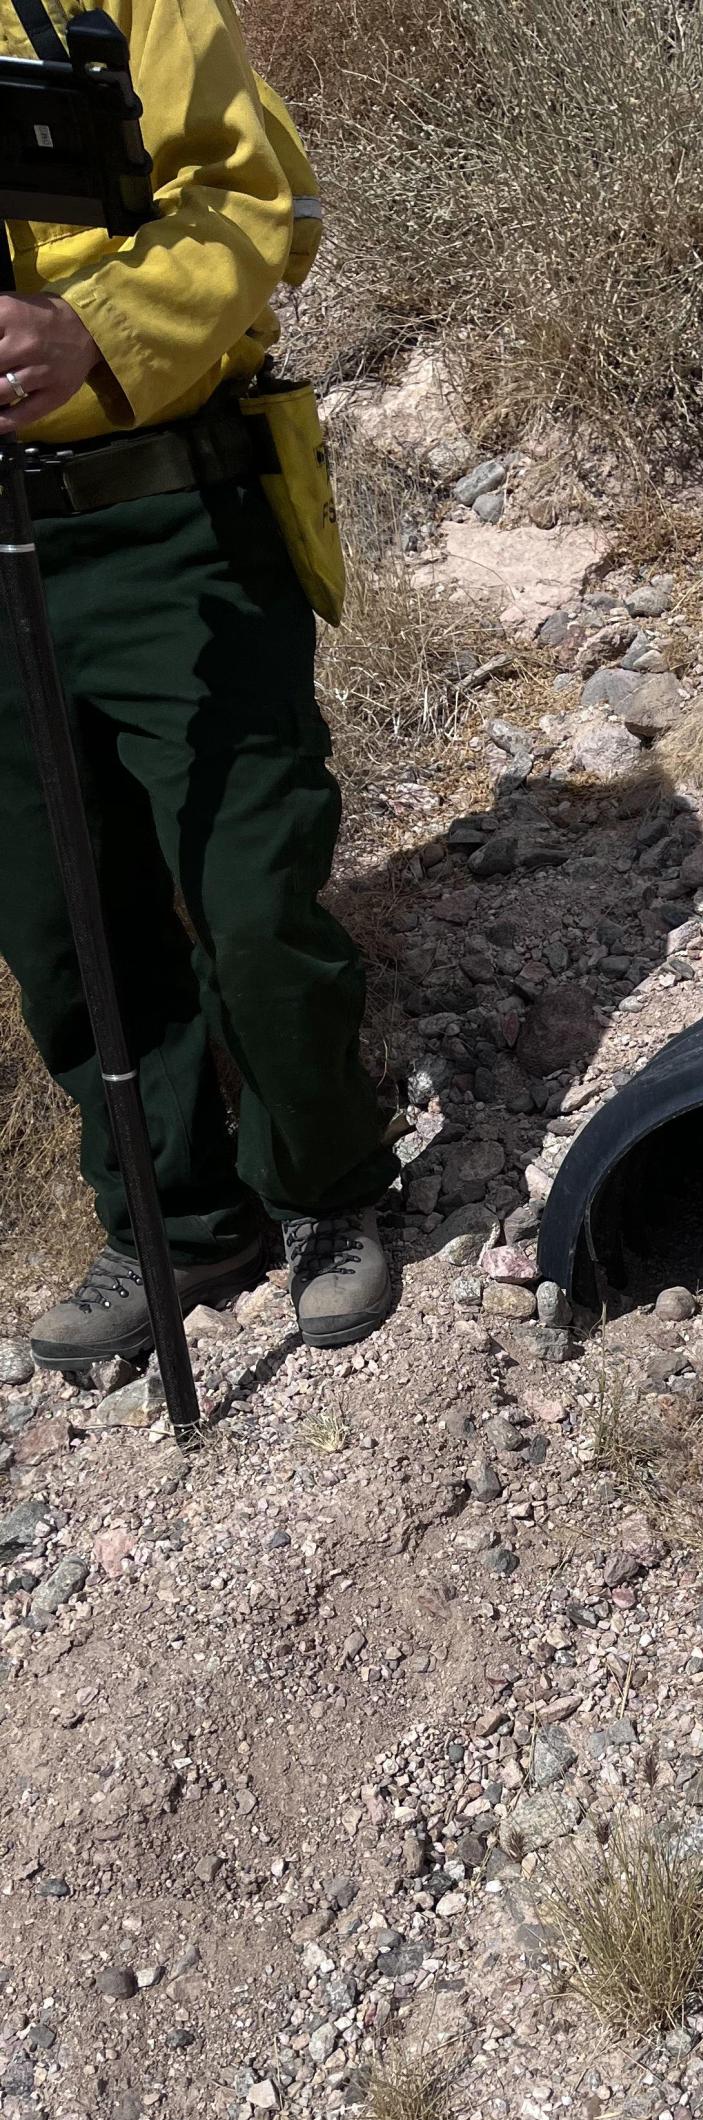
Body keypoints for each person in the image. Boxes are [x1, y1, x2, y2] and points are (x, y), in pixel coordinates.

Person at [0, 0, 399, 1370]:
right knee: (60, 922)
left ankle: (330, 1191)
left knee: (248, 893)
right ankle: (171, 1218)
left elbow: (256, 202)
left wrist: (90, 331)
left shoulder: (123, 8)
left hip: (173, 524)